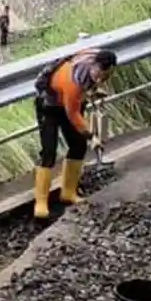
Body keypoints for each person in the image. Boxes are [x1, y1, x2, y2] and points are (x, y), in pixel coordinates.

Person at [32, 49, 117, 218]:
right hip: (49, 106)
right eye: (100, 75)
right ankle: (41, 201)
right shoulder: (73, 81)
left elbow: (83, 93)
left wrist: (92, 91)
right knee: (49, 150)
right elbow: (73, 115)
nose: (101, 79)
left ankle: (68, 192)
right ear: (94, 66)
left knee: (78, 145)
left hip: (71, 101)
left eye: (105, 76)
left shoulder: (96, 57)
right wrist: (91, 136)